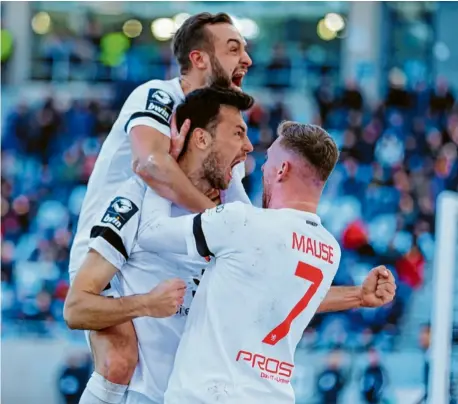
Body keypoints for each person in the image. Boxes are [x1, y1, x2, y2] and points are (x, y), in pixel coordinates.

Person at [65, 89, 397, 404]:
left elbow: (157, 232)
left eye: (265, 154)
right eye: (239, 133)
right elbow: (77, 307)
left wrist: (161, 166)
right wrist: (357, 296)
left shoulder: (242, 223)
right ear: (201, 137)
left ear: (282, 168)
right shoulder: (326, 247)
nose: (251, 150)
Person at [67, 12, 253, 403]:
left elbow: (249, 231)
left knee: (170, 381)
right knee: (120, 361)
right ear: (199, 58)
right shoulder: (159, 93)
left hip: (161, 255)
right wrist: (216, 223)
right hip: (111, 245)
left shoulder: (216, 135)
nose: (247, 60)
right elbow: (151, 164)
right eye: (234, 48)